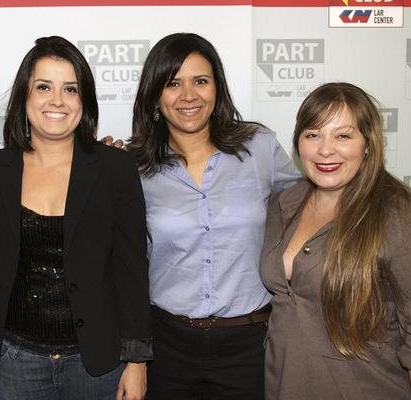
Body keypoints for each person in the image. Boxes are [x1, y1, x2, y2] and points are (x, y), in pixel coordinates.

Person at [0, 36, 152, 400]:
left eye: (70, 88)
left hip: (98, 363)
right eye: (43, 87)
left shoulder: (115, 168)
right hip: (14, 362)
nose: (56, 100)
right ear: (24, 97)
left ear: (84, 101)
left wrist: (137, 361)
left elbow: (132, 269)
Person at [127, 33, 300, 399]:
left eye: (200, 81)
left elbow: (312, 203)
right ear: (155, 95)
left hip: (248, 344)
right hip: (167, 345)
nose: (188, 95)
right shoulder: (134, 168)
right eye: (173, 83)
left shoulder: (260, 147)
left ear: (217, 89)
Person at [260, 82, 411, 399]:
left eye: (343, 135)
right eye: (313, 134)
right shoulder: (282, 206)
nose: (325, 149)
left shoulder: (407, 219)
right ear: (298, 143)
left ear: (368, 144)